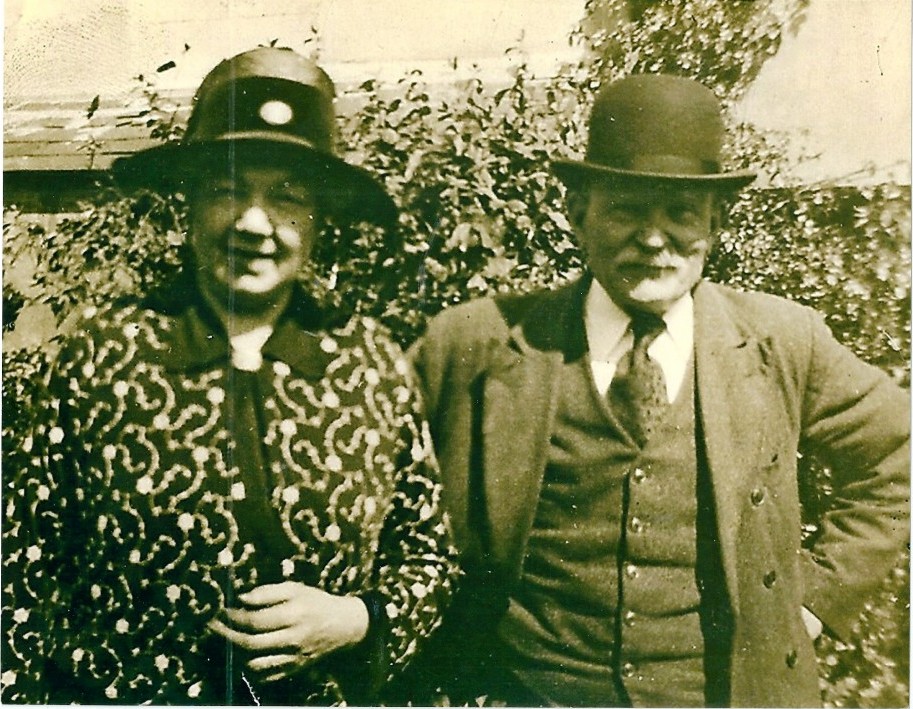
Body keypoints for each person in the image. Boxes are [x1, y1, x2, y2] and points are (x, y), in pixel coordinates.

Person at [406, 74, 909, 707]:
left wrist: (812, 600)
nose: (653, 239)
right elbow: (379, 471)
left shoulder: (783, 341)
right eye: (626, 210)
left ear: (715, 223)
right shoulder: (475, 343)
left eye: (680, 213)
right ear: (579, 214)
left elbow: (899, 452)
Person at [4, 47, 458, 705]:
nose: (253, 223)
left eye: (287, 197)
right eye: (228, 190)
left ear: (318, 216)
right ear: (189, 204)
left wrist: (357, 619)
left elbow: (428, 557)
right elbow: (20, 567)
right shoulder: (102, 354)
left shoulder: (369, 364)